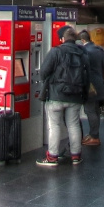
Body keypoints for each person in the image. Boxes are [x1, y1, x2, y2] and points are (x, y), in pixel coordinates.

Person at [35, 27, 91, 166]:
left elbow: (43, 73)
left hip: (56, 95)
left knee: (54, 126)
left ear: (62, 39)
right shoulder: (83, 53)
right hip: (76, 96)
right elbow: (87, 76)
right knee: (73, 125)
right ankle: (76, 156)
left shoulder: (56, 51)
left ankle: (52, 157)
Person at [78, 28, 104, 147]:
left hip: (90, 85)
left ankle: (94, 136)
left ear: (82, 40)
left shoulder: (85, 51)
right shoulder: (99, 50)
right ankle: (93, 134)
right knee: (95, 110)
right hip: (100, 83)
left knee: (90, 110)